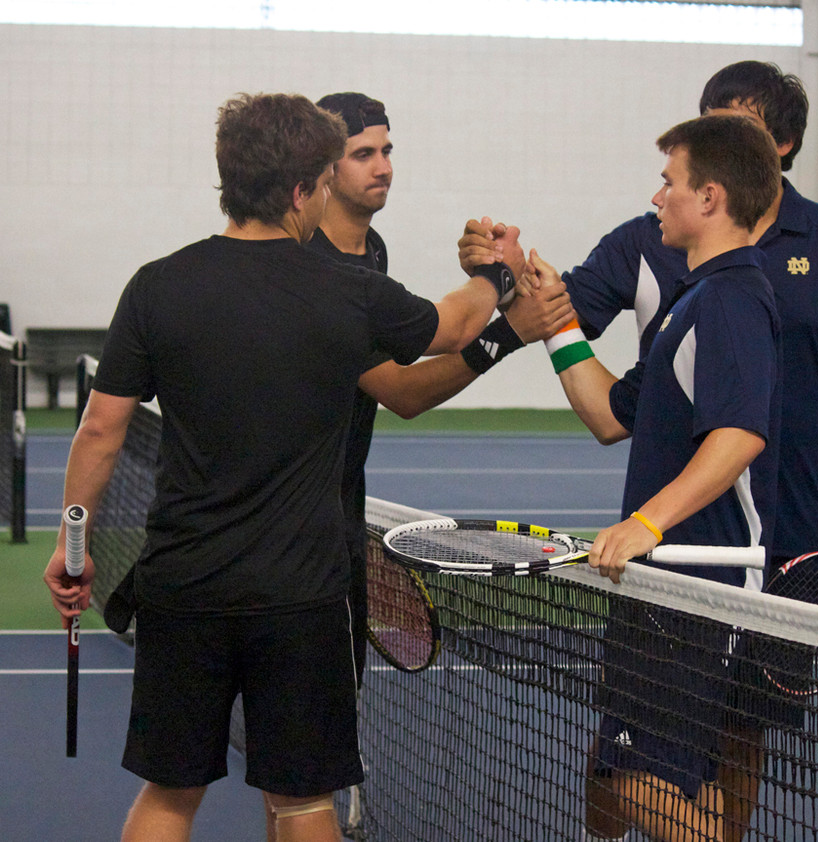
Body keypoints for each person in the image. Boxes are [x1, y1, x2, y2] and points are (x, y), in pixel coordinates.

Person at [43, 92, 515, 842]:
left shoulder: (156, 285)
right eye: (326, 179)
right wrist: (495, 274)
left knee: (170, 795)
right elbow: (456, 325)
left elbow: (100, 431)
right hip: (302, 596)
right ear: (302, 191)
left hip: (184, 587)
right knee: (302, 803)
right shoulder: (349, 291)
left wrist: (73, 549)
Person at [461, 60, 818, 600]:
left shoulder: (784, 270)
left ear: (782, 145)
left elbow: (759, 424)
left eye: (737, 130)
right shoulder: (668, 260)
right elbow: (592, 382)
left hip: (767, 538)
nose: (658, 196)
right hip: (672, 542)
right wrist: (505, 276)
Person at [528, 114, 783, 842]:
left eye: (669, 181)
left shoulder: (732, 298)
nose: (657, 196)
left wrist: (646, 523)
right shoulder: (693, 301)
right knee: (629, 784)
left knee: (639, 782)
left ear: (709, 197)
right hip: (662, 585)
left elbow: (739, 435)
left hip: (697, 587)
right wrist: (556, 319)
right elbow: (610, 414)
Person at [309, 92, 573, 688]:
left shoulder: (371, 250)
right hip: (305, 536)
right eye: (362, 154)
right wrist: (505, 313)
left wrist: (491, 279)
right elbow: (402, 390)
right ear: (324, 167)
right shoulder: (317, 265)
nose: (383, 167)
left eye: (387, 151)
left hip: (339, 513)